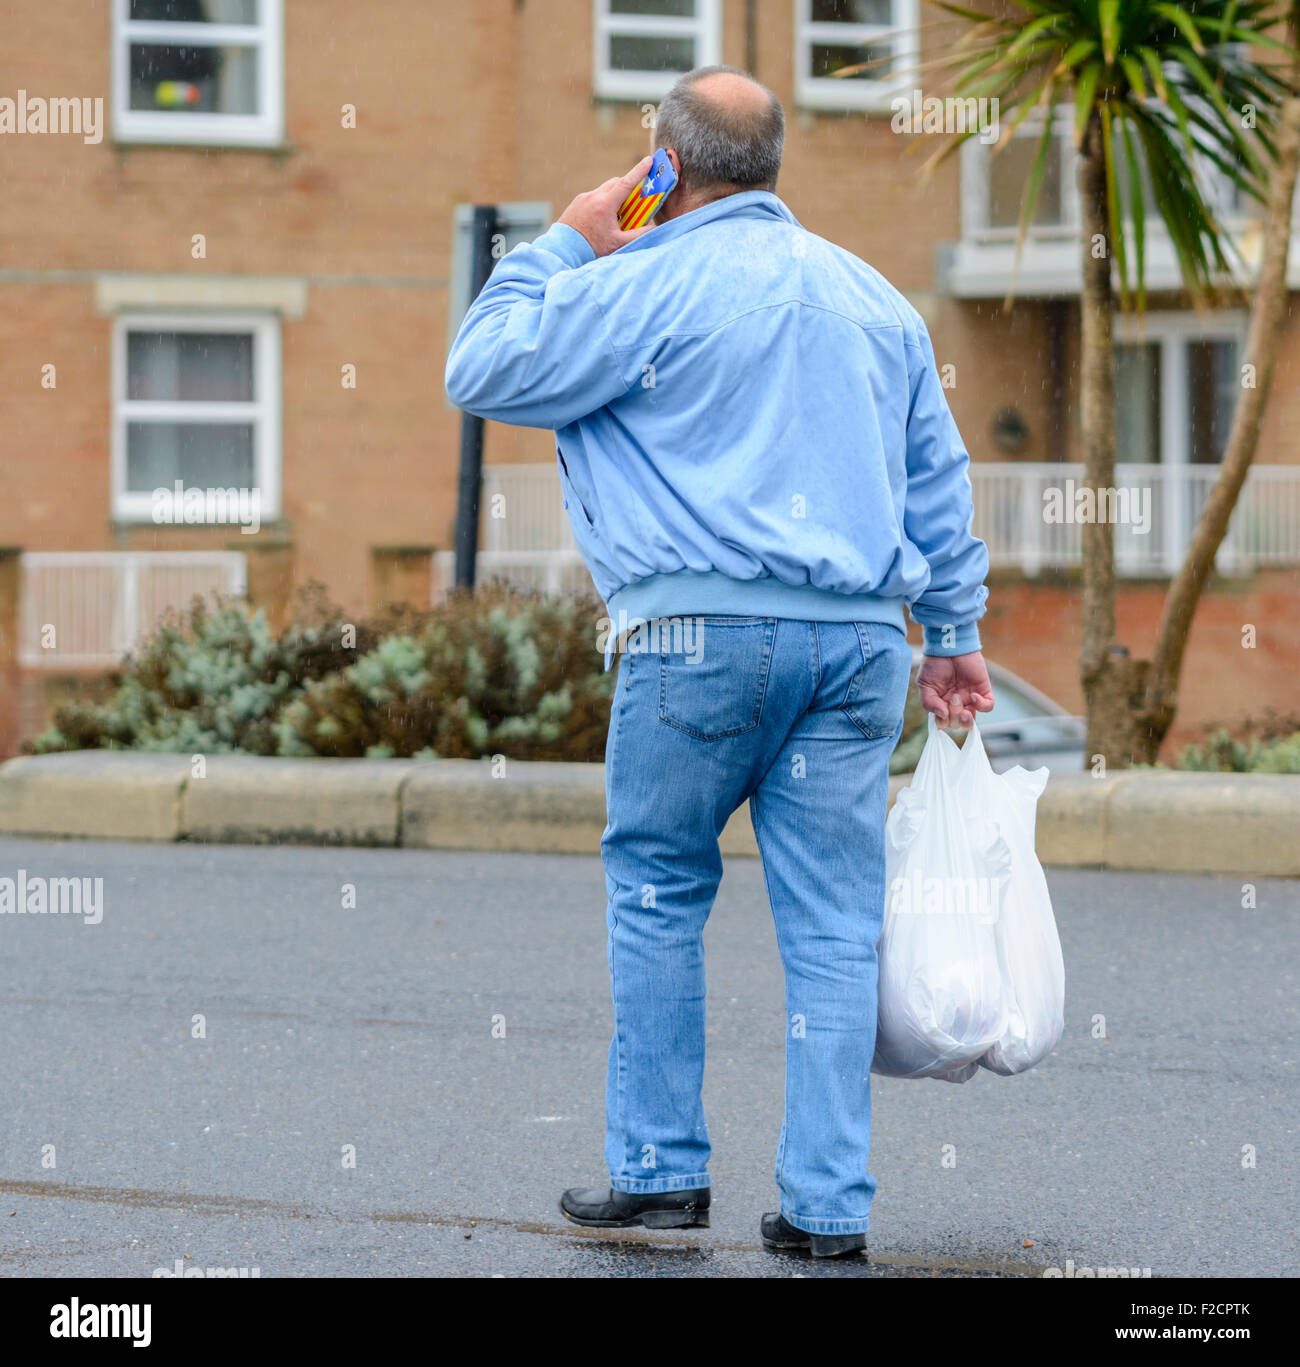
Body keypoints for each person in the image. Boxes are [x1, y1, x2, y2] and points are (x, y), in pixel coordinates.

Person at [445, 65, 994, 1259]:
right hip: (857, 647)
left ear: (664, 165)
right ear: (773, 163)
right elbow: (940, 486)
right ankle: (828, 1209)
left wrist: (568, 241)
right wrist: (953, 634)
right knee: (837, 925)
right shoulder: (875, 302)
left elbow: (478, 367)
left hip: (692, 638)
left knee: (656, 891)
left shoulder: (635, 282)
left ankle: (657, 1174)